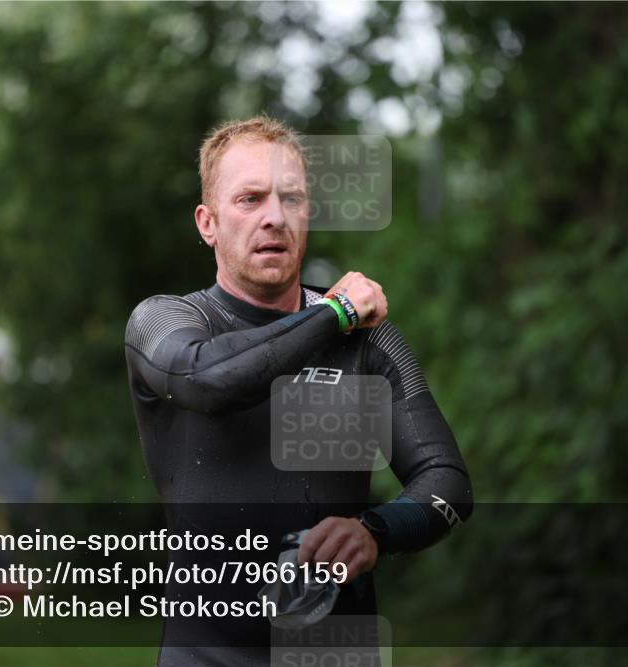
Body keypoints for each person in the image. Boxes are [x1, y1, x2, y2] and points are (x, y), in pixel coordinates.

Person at [124, 115, 473, 666]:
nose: (274, 217)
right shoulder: (165, 321)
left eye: (291, 198)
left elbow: (447, 483)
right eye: (250, 199)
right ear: (208, 222)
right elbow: (209, 380)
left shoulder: (367, 341)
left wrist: (374, 531)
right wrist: (333, 313)